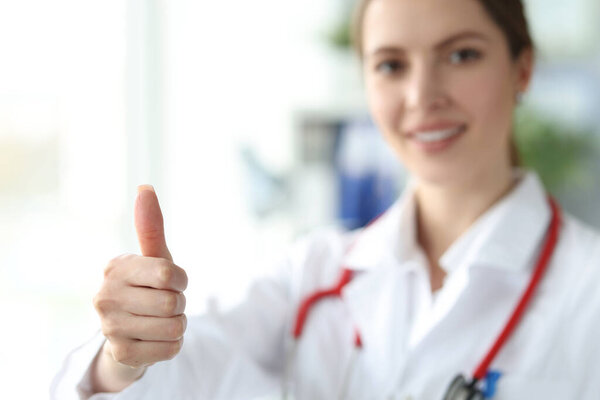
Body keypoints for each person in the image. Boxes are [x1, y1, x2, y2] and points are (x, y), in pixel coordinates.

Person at [52, 0, 600, 399]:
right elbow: (175, 371)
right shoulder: (312, 274)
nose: (421, 96)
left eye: (461, 55)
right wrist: (124, 353)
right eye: (390, 64)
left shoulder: (587, 290)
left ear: (521, 68)